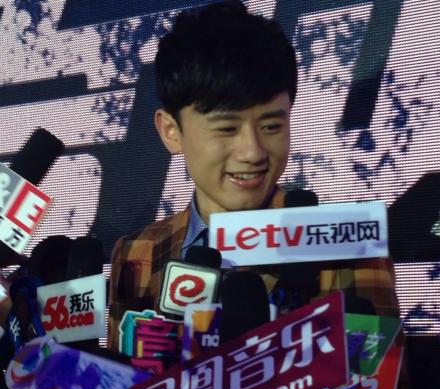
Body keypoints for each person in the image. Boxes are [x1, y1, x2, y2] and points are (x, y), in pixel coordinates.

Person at [108, 0, 402, 351]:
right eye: (227, 128)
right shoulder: (135, 253)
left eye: (271, 126)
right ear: (172, 132)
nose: (253, 152)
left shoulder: (349, 250)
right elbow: (115, 382)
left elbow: (381, 380)